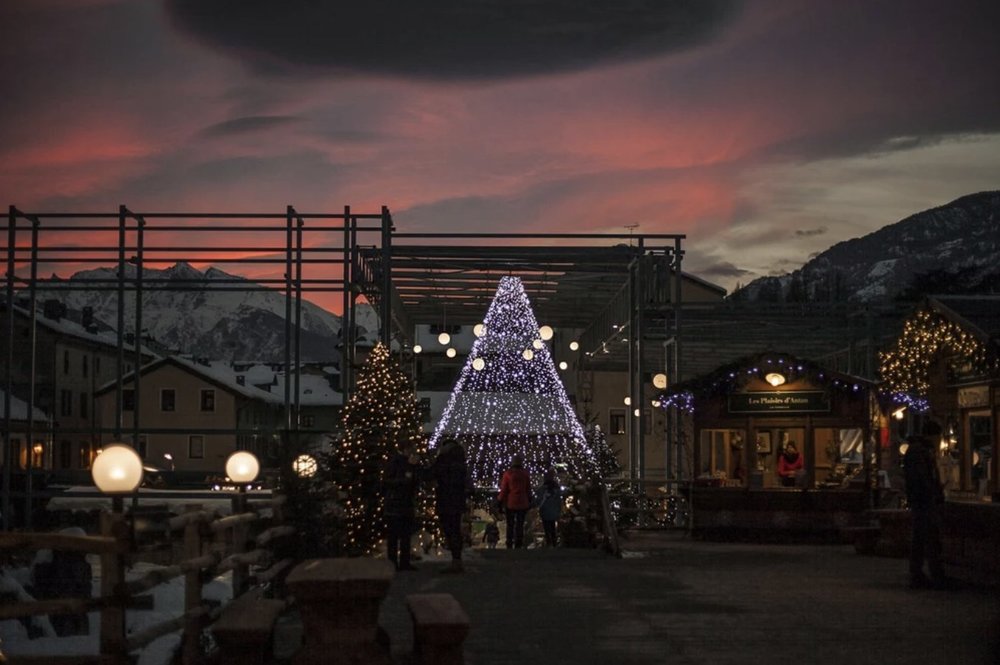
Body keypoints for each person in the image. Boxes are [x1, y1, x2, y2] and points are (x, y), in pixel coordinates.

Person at [904, 422, 947, 589]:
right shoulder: (920, 452)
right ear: (933, 436)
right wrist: (934, 492)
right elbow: (923, 478)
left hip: (920, 500)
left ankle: (920, 573)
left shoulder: (917, 450)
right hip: (923, 501)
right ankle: (928, 574)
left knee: (922, 538)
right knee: (927, 537)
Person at [432, 438, 471, 573]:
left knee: (449, 530)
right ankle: (457, 560)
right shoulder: (460, 461)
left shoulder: (443, 460)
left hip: (445, 499)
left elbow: (433, 473)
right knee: (455, 529)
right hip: (457, 501)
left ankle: (455, 562)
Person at [383, 440, 421, 571]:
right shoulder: (397, 462)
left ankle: (402, 562)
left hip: (403, 503)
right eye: (413, 448)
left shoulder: (403, 462)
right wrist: (407, 477)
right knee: (396, 535)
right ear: (406, 449)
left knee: (403, 535)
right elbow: (390, 481)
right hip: (397, 503)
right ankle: (395, 563)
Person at [498, 453, 532, 548]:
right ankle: (518, 543)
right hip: (523, 502)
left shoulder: (508, 474)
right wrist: (529, 500)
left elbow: (504, 490)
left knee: (510, 524)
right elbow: (528, 489)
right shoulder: (525, 474)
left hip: (511, 502)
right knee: (520, 524)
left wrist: (500, 501)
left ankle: (509, 542)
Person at [536, 467, 563, 547]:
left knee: (547, 528)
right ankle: (554, 543)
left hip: (545, 511)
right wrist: (559, 510)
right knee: (552, 527)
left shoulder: (542, 489)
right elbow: (558, 500)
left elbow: (538, 499)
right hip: (554, 511)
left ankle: (549, 542)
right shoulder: (556, 488)